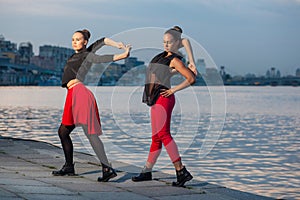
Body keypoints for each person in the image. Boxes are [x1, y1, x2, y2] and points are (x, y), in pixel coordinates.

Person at [52, 29, 131, 182]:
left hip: (80, 95)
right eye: (73, 39)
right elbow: (103, 40)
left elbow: (102, 59)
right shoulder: (80, 53)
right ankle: (69, 166)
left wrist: (122, 55)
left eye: (78, 39)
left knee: (90, 134)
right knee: (63, 132)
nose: (75, 42)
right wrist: (117, 44)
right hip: (73, 94)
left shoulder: (87, 55)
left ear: (85, 42)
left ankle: (106, 168)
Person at [132, 26, 196, 187]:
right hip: (155, 99)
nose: (166, 45)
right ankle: (147, 171)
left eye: (169, 42)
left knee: (164, 134)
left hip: (164, 98)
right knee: (156, 138)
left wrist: (174, 89)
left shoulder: (175, 59)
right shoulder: (162, 57)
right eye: (164, 42)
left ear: (177, 43)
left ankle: (181, 171)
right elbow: (163, 74)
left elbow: (191, 78)